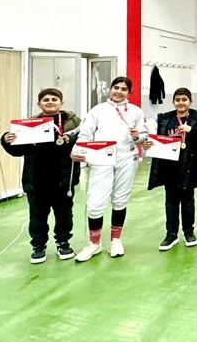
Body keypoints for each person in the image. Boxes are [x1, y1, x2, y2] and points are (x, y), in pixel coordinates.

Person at [71, 76, 148, 262]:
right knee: (95, 202)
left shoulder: (136, 111)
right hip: (101, 159)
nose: (119, 91)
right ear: (110, 89)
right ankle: (94, 243)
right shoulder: (98, 110)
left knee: (120, 199)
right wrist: (77, 150)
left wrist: (138, 136)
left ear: (129, 92)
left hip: (127, 158)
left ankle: (115, 240)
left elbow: (144, 135)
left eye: (123, 89)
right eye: (116, 88)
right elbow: (85, 133)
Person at [0, 88, 81, 263]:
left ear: (61, 103)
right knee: (37, 216)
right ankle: (38, 245)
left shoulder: (73, 123)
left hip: (63, 179)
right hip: (37, 180)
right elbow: (18, 151)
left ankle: (63, 242)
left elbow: (83, 141)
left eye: (54, 99)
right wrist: (6, 140)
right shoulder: (28, 125)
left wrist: (70, 140)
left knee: (64, 215)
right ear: (39, 104)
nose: (50, 102)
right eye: (46, 100)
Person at [145, 88, 197, 251]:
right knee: (171, 201)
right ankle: (171, 234)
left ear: (190, 102)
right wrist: (148, 144)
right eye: (178, 100)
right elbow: (157, 139)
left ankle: (189, 232)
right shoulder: (165, 119)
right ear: (173, 102)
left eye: (184, 99)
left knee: (188, 201)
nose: (181, 103)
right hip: (169, 166)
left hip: (190, 165)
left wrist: (192, 130)